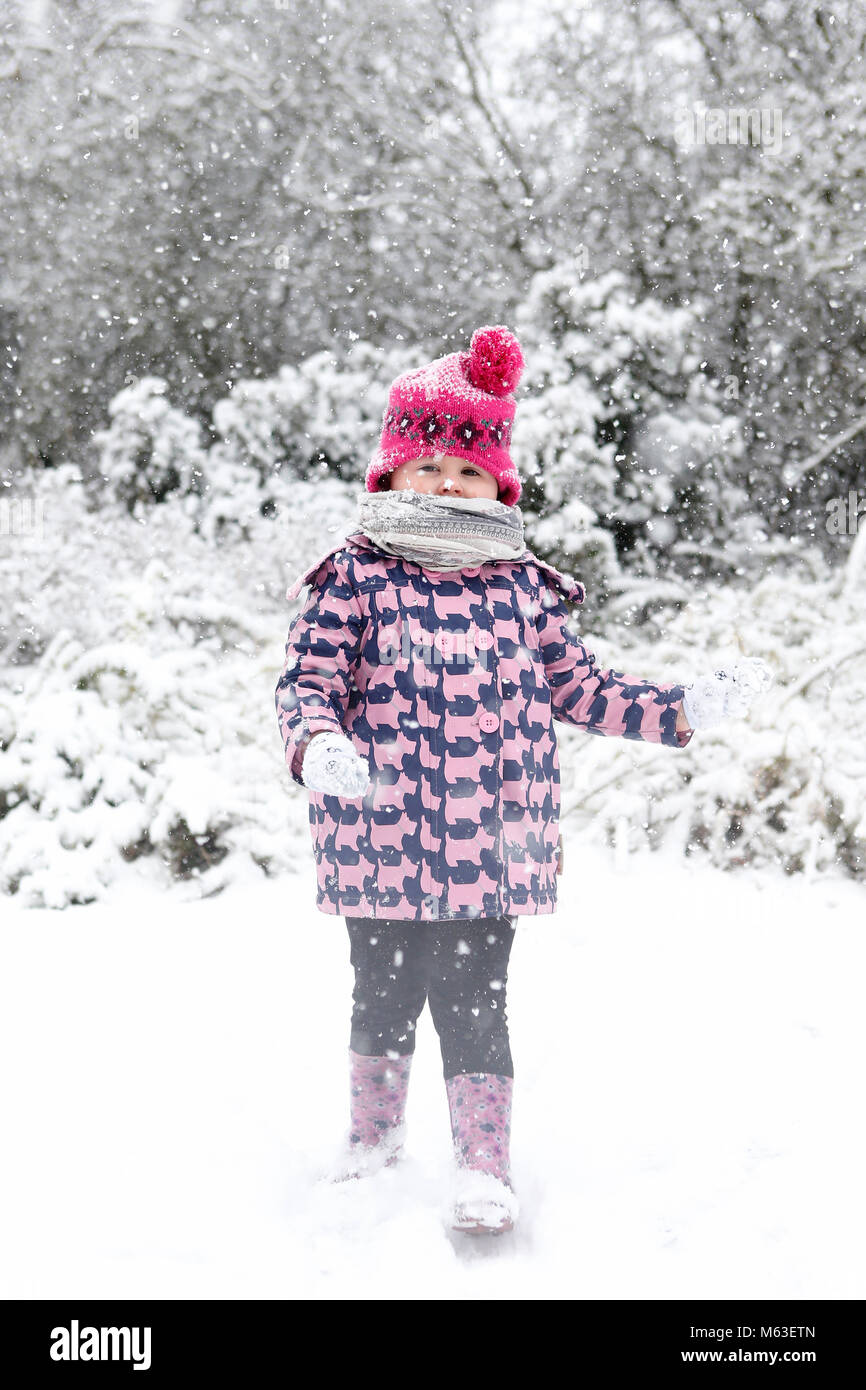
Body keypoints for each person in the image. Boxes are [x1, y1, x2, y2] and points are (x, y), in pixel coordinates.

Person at [274, 325, 772, 1235]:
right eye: (429, 467)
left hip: (489, 845)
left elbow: (583, 689)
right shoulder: (355, 575)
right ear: (391, 473)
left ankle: (483, 1166)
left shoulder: (521, 588)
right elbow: (307, 681)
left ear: (497, 484)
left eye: (468, 473)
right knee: (381, 994)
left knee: (474, 1005)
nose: (448, 484)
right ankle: (372, 1143)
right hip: (379, 836)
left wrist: (681, 706)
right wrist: (319, 745)